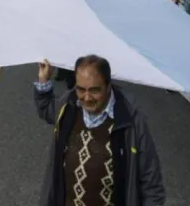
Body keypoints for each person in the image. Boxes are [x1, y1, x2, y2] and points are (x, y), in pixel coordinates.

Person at [34, 55, 165, 206]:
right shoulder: (68, 106)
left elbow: (152, 186)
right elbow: (47, 110)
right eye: (81, 89)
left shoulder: (132, 122)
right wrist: (43, 80)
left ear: (108, 85)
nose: (87, 98)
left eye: (95, 90)